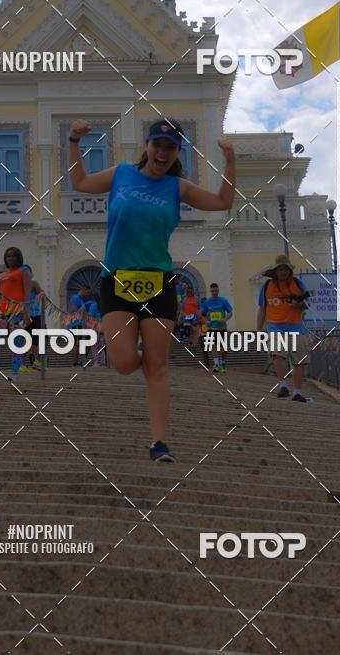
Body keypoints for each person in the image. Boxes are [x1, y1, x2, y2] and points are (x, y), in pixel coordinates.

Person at [69, 116, 235, 463]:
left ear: (177, 154)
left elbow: (222, 202)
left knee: (158, 367)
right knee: (124, 362)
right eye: (157, 145)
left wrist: (231, 160)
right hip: (117, 280)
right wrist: (73, 142)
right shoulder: (121, 175)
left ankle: (159, 443)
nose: (162, 153)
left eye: (170, 148)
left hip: (159, 282)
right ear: (146, 147)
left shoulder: (178, 188)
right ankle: (144, 353)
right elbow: (80, 182)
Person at [256, 254, 310, 403]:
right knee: (277, 354)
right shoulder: (267, 287)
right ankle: (283, 386)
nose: (283, 272)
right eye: (281, 269)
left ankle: (297, 392)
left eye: (286, 269)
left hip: (296, 327)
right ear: (275, 271)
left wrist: (297, 304)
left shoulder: (298, 284)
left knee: (299, 361)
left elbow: (307, 305)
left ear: (289, 271)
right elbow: (262, 308)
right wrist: (259, 330)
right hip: (274, 326)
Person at [0, 246, 32, 381]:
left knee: (16, 340)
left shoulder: (24, 271)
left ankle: (14, 372)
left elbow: (27, 292)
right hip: (2, 310)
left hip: (18, 310)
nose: (11, 258)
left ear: (19, 257)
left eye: (13, 255)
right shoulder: (1, 275)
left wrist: (27, 312)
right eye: (8, 256)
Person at [201, 283, 233, 373]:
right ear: (210, 291)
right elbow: (203, 315)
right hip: (212, 328)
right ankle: (216, 364)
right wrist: (206, 321)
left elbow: (230, 313)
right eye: (212, 291)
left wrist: (225, 319)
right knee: (213, 346)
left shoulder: (223, 300)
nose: (214, 292)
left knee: (224, 348)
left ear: (218, 290)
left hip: (222, 328)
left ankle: (223, 363)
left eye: (216, 291)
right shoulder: (207, 302)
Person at [69, 284, 95, 367]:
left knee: (88, 341)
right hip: (77, 324)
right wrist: (83, 314)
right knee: (77, 344)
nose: (88, 294)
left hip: (82, 324)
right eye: (88, 292)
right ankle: (75, 363)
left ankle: (81, 361)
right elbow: (73, 310)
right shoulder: (77, 298)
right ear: (84, 289)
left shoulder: (81, 299)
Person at [180, 284, 201, 350]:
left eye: (191, 291)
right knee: (188, 332)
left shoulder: (197, 298)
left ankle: (194, 345)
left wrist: (199, 317)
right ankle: (191, 344)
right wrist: (180, 318)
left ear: (193, 291)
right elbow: (182, 309)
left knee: (195, 331)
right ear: (187, 292)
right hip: (186, 318)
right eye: (188, 292)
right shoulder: (184, 299)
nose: (190, 293)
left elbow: (200, 308)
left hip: (195, 317)